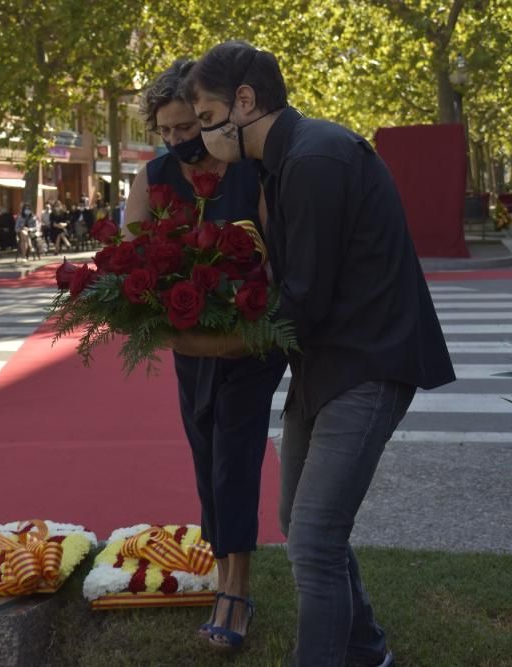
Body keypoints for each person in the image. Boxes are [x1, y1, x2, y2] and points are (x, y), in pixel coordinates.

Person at [186, 41, 455, 666]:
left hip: (367, 364)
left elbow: (300, 298)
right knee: (300, 519)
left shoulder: (315, 158)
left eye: (205, 120)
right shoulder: (288, 161)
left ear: (244, 102)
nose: (202, 139)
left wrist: (208, 341)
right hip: (327, 365)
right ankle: (366, 651)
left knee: (312, 540)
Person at [123, 59, 287, 652]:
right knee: (204, 446)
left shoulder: (255, 171)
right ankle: (225, 572)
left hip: (252, 342)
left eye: (186, 126)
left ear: (208, 114)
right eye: (164, 131)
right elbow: (131, 268)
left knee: (234, 451)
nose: (176, 141)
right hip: (191, 343)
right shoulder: (155, 176)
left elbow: (279, 266)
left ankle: (236, 589)